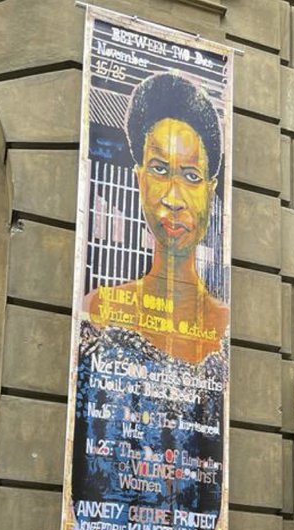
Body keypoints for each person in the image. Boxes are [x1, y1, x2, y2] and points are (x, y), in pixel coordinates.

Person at [84, 71, 227, 365]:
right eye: (160, 169)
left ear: (210, 192)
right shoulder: (102, 307)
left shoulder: (225, 323)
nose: (173, 199)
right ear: (140, 179)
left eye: (191, 176)